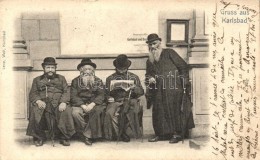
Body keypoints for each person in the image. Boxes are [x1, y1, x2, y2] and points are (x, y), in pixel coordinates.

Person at [145, 33, 195, 143]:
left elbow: (183, 66)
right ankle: (161, 134)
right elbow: (148, 75)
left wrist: (183, 83)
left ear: (159, 43)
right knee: (158, 111)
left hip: (173, 88)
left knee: (174, 110)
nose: (152, 47)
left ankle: (177, 134)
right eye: (150, 45)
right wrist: (150, 79)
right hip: (158, 89)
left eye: (154, 44)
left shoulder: (169, 53)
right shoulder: (149, 60)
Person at [26, 57, 75, 147]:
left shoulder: (61, 78)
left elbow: (66, 91)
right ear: (44, 68)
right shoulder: (37, 80)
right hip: (43, 103)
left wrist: (63, 102)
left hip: (59, 102)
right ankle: (39, 137)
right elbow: (33, 93)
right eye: (48, 67)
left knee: (66, 111)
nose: (50, 70)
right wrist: (38, 101)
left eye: (52, 68)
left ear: (55, 68)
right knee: (36, 111)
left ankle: (64, 137)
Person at [104, 54, 144, 142]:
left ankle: (121, 133)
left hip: (130, 100)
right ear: (116, 68)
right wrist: (109, 98)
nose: (122, 71)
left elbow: (141, 92)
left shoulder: (134, 77)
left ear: (127, 67)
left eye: (124, 69)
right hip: (115, 101)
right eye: (119, 69)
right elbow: (106, 93)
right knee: (109, 113)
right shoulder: (110, 78)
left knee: (131, 111)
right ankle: (120, 133)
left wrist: (135, 88)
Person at [71, 58, 106, 146]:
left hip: (94, 104)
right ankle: (87, 134)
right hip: (79, 104)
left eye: (90, 69)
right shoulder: (75, 81)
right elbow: (73, 96)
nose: (87, 71)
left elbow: (101, 95)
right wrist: (82, 105)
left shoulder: (98, 81)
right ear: (81, 70)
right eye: (85, 69)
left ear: (93, 70)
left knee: (96, 111)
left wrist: (92, 104)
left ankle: (85, 136)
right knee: (75, 113)